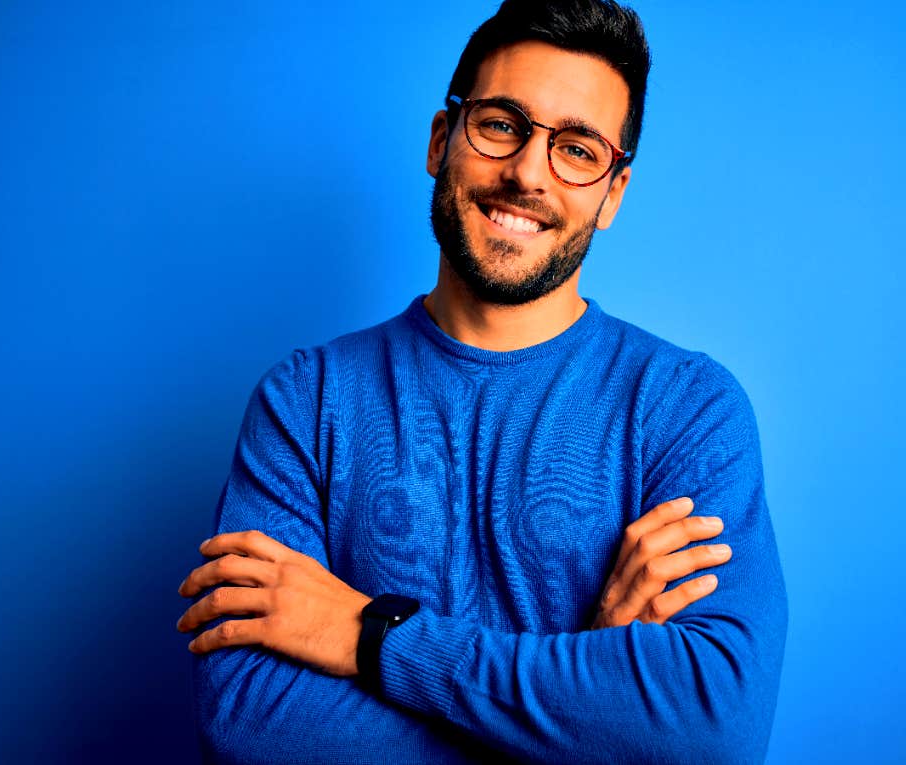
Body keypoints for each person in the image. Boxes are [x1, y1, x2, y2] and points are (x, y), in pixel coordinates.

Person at [176, 1, 788, 762]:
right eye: (501, 124)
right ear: (442, 140)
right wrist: (579, 720)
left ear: (614, 194)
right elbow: (250, 721)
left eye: (577, 149)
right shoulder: (305, 401)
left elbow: (710, 729)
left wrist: (370, 635)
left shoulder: (685, 410)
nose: (528, 172)